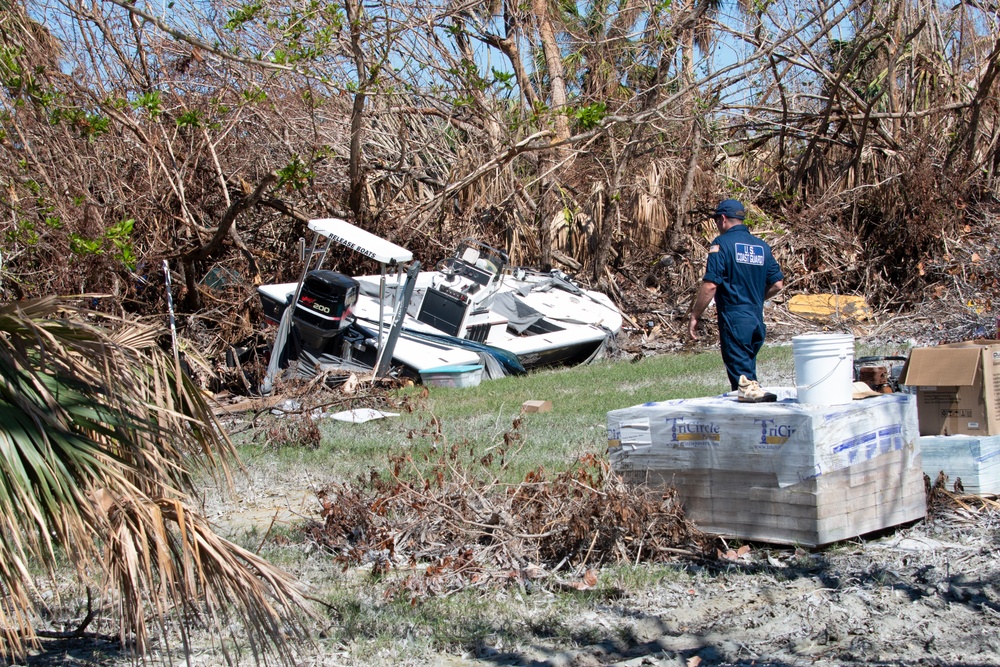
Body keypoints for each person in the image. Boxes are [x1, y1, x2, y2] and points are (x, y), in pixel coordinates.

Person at [688, 199, 783, 399]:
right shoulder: (762, 247)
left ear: (722, 219)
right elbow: (777, 284)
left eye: (716, 220)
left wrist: (695, 315)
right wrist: (756, 298)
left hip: (735, 318)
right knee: (747, 373)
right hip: (756, 320)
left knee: (745, 386)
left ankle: (751, 423)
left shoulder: (721, 244)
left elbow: (710, 285)